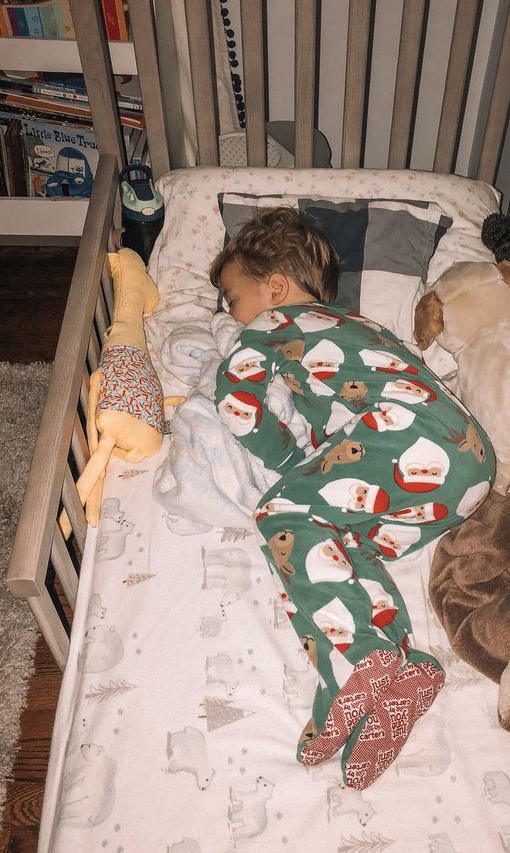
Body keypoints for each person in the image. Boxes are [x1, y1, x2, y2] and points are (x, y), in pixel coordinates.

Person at [211, 206, 495, 790]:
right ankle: (401, 670)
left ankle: (357, 662)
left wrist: (288, 463)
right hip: (460, 468)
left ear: (275, 289)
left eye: (231, 298)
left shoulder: (276, 323)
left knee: (283, 514)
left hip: (409, 430)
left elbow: (235, 397)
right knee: (333, 548)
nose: (229, 313)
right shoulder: (356, 332)